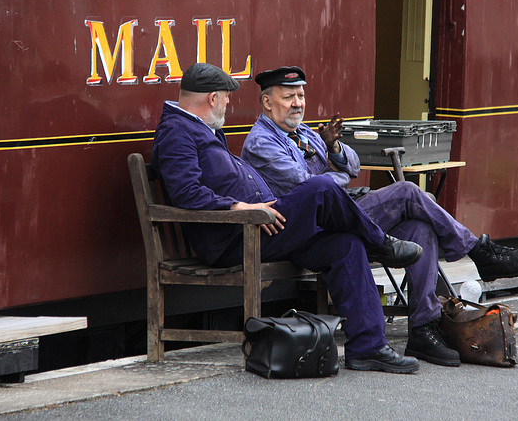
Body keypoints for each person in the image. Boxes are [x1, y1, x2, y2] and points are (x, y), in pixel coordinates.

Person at [241, 65, 518, 367]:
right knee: (408, 192)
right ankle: (478, 251)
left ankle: (423, 329)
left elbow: (353, 166)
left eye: (301, 95)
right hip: (310, 226)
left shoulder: (304, 133)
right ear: (267, 102)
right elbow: (313, 187)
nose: (298, 103)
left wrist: (333, 147)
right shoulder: (261, 143)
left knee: (419, 228)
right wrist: (336, 175)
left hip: (338, 212)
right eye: (288, 96)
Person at [152, 62, 424, 374]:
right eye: (227, 97)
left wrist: (253, 205)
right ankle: (378, 242)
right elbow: (186, 193)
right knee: (321, 187)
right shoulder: (177, 133)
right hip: (238, 237)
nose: (229, 103)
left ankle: (368, 348)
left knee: (345, 245)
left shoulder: (200, 129)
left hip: (260, 227)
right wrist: (238, 208)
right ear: (213, 98)